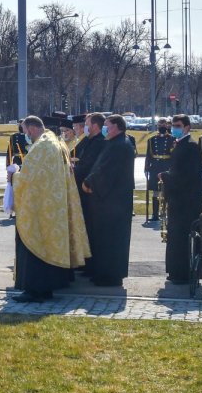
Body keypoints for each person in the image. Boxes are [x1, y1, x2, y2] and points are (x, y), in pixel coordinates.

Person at [10, 115, 89, 302]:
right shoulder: (54, 141)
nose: (25, 135)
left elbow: (29, 178)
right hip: (53, 203)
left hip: (40, 207)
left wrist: (14, 176)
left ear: (32, 128)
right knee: (47, 246)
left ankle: (35, 290)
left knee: (36, 246)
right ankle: (44, 289)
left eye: (25, 131)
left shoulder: (42, 147)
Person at [80, 114, 136, 287]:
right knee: (103, 240)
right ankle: (102, 273)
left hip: (113, 203)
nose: (105, 128)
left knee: (111, 241)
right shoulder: (113, 142)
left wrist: (89, 183)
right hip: (108, 202)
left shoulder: (120, 145)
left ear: (117, 127)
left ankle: (110, 276)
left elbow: (106, 171)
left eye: (107, 125)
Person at [161, 113, 202, 283]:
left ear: (187, 127)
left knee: (181, 238)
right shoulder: (180, 144)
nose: (174, 128)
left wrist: (166, 176)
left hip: (186, 201)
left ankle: (182, 273)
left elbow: (188, 175)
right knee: (176, 238)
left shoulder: (191, 146)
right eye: (173, 125)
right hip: (179, 199)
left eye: (177, 125)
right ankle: (175, 271)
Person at [72, 113, 108, 276]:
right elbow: (76, 157)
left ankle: (90, 264)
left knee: (90, 230)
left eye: (86, 124)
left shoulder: (99, 142)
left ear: (94, 126)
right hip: (81, 189)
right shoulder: (89, 140)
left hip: (89, 191)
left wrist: (72, 172)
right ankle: (85, 262)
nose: (84, 127)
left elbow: (87, 166)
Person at [144, 118, 175, 221]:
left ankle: (166, 212)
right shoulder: (152, 140)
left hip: (167, 165)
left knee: (167, 190)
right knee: (155, 191)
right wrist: (146, 167)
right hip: (155, 167)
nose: (162, 126)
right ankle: (155, 214)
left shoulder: (172, 139)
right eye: (160, 124)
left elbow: (174, 155)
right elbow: (148, 155)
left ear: (167, 126)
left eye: (164, 124)